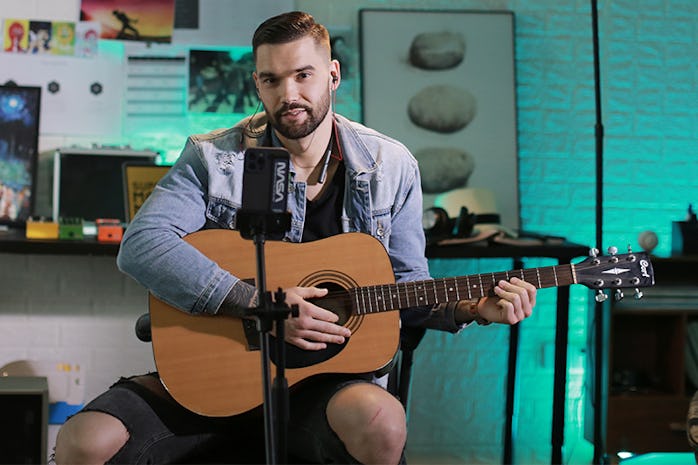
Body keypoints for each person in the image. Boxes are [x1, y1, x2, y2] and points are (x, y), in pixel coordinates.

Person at [54, 11, 536, 465]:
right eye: (272, 79)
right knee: (83, 441)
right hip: (222, 373)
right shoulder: (215, 159)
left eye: (303, 75)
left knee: (382, 424)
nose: (289, 94)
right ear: (257, 84)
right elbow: (141, 244)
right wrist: (257, 304)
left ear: (333, 74)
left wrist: (474, 309)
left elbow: (408, 290)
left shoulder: (392, 167)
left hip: (330, 384)